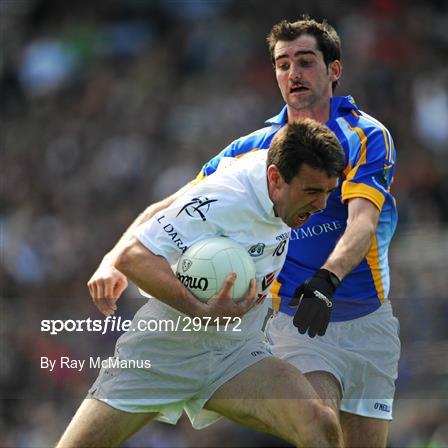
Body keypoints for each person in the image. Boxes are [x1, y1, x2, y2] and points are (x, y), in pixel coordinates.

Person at [88, 17, 400, 448]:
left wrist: (327, 279)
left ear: (334, 70)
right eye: (283, 64)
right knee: (318, 422)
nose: (294, 74)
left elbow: (362, 220)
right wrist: (113, 257)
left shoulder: (365, 135)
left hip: (365, 317)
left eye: (306, 62)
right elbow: (169, 206)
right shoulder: (252, 148)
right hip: (295, 316)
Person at [57, 119, 346, 447]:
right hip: (164, 351)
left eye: (327, 192)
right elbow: (134, 257)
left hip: (236, 352)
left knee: (320, 425)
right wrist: (197, 307)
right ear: (276, 179)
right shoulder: (227, 197)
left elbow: (169, 203)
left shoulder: (268, 172)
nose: (321, 204)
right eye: (311, 192)